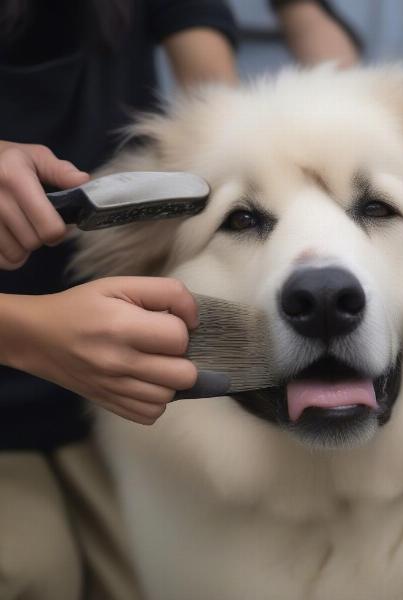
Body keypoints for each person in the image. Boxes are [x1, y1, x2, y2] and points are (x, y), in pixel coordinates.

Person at [0, 1, 360, 599]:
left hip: (102, 392)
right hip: (37, 352)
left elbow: (218, 113)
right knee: (31, 571)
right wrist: (26, 330)